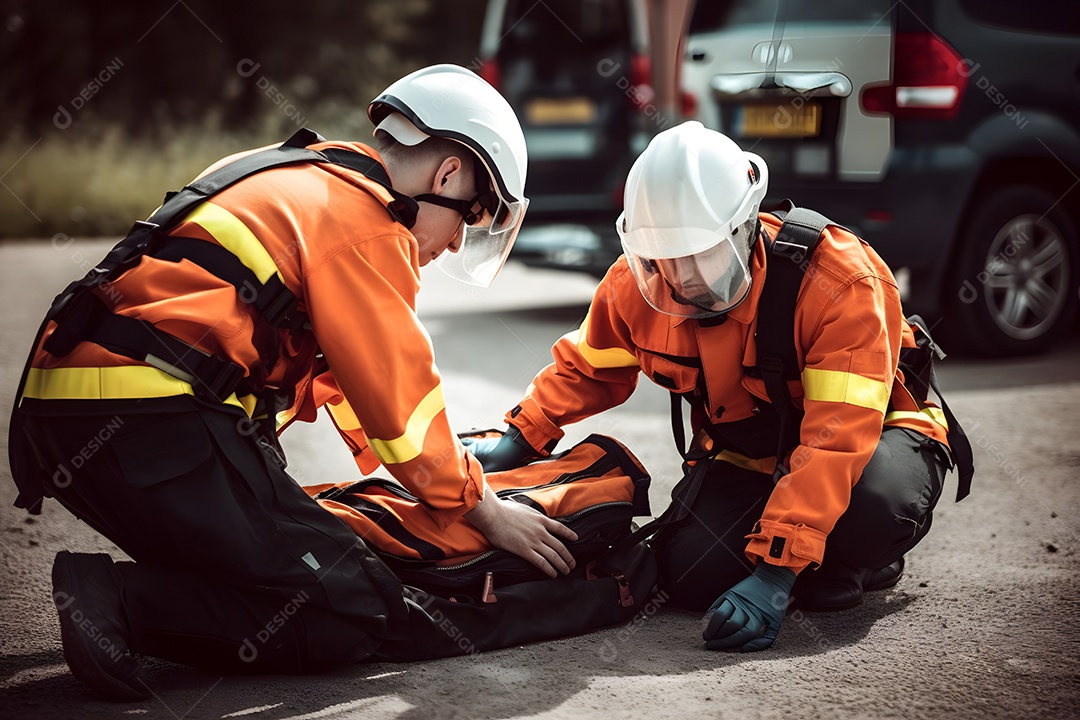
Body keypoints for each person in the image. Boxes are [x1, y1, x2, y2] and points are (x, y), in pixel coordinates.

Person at [8, 64, 577, 701]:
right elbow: (400, 399)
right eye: (467, 219)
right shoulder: (368, 222)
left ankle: (133, 599)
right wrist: (484, 509)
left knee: (278, 571)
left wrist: (433, 483)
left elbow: (354, 383)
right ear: (446, 175)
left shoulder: (291, 172)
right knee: (349, 608)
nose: (451, 246)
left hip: (69, 424)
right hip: (152, 425)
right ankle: (120, 601)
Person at [468, 121, 966, 653]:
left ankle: (851, 560)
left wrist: (775, 573)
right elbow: (586, 368)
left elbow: (836, 440)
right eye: (664, 257)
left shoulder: (840, 285)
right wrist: (522, 436)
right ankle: (811, 555)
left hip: (874, 443)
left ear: (744, 227)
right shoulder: (638, 284)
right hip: (755, 456)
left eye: (698, 253)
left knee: (871, 514)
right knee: (689, 576)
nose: (681, 277)